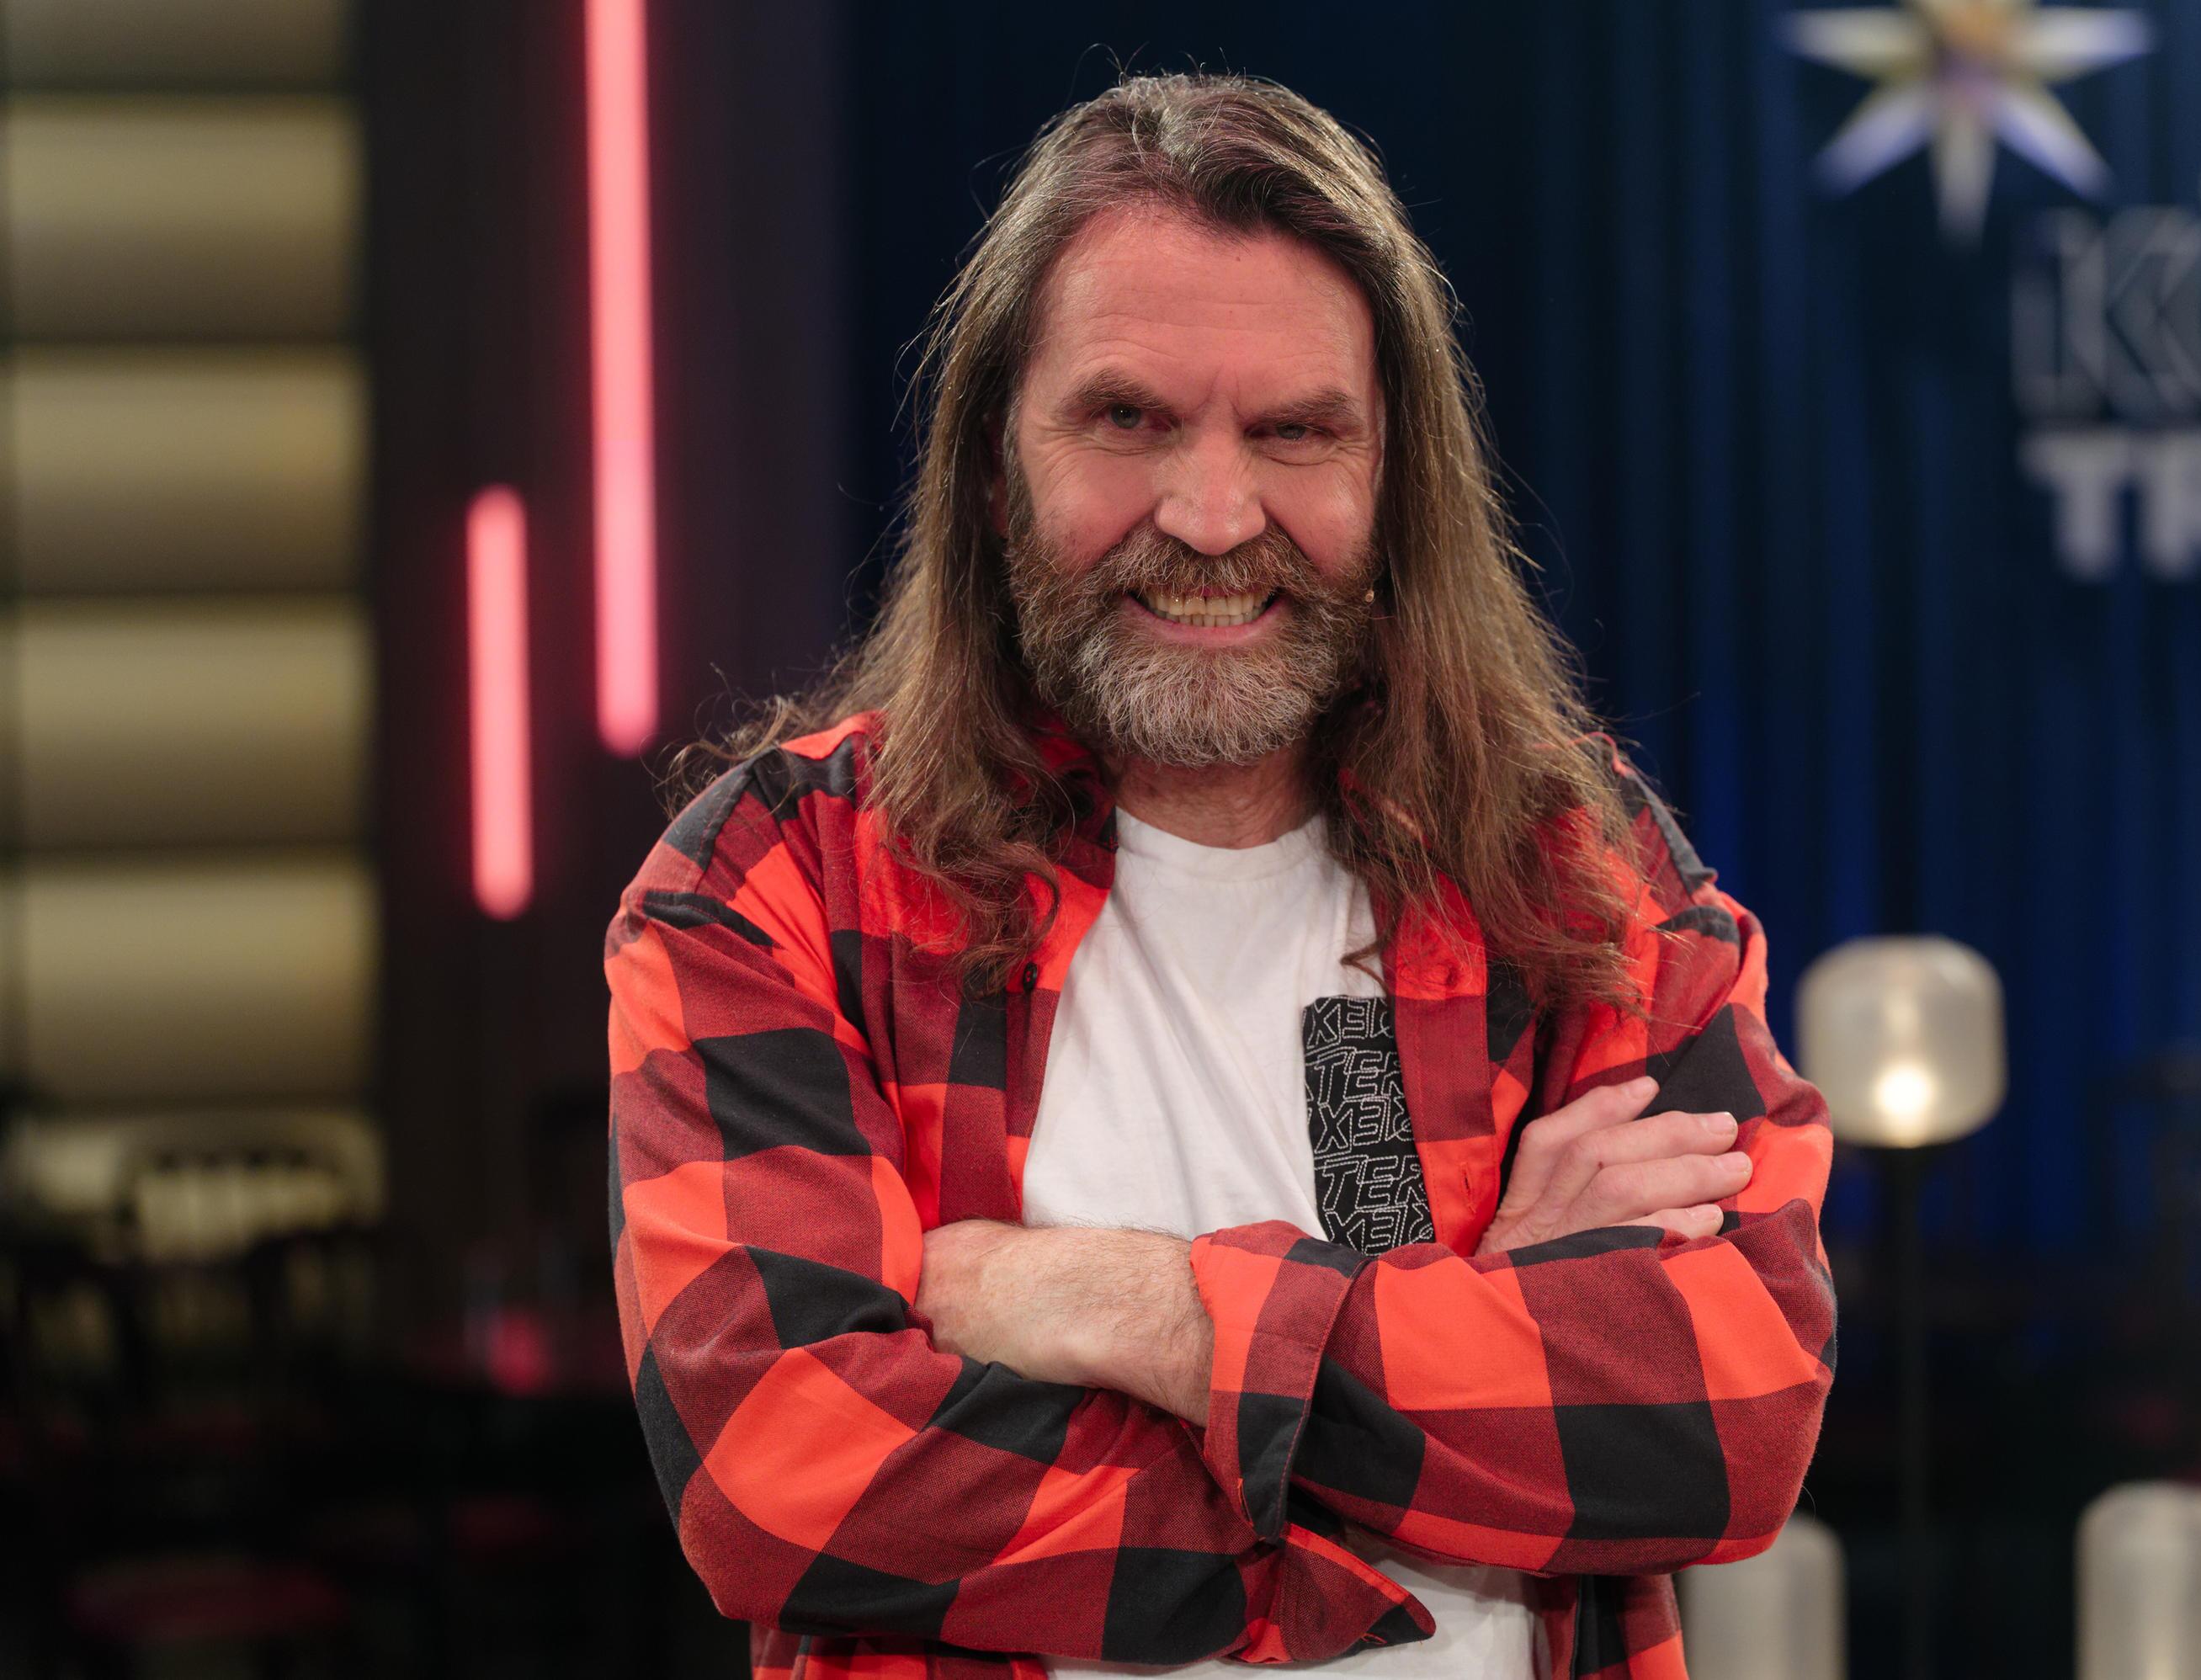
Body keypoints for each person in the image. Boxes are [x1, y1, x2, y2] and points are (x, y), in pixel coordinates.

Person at [604, 70, 1836, 1680]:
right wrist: (1460, 1372)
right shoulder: (781, 886)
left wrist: (1144, 1312)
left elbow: (1732, 1416)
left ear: (1394, 481)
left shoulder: (1570, 865)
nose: (1209, 514)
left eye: (1294, 433)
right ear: (995, 469)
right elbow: (786, 1477)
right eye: (1127, 420)